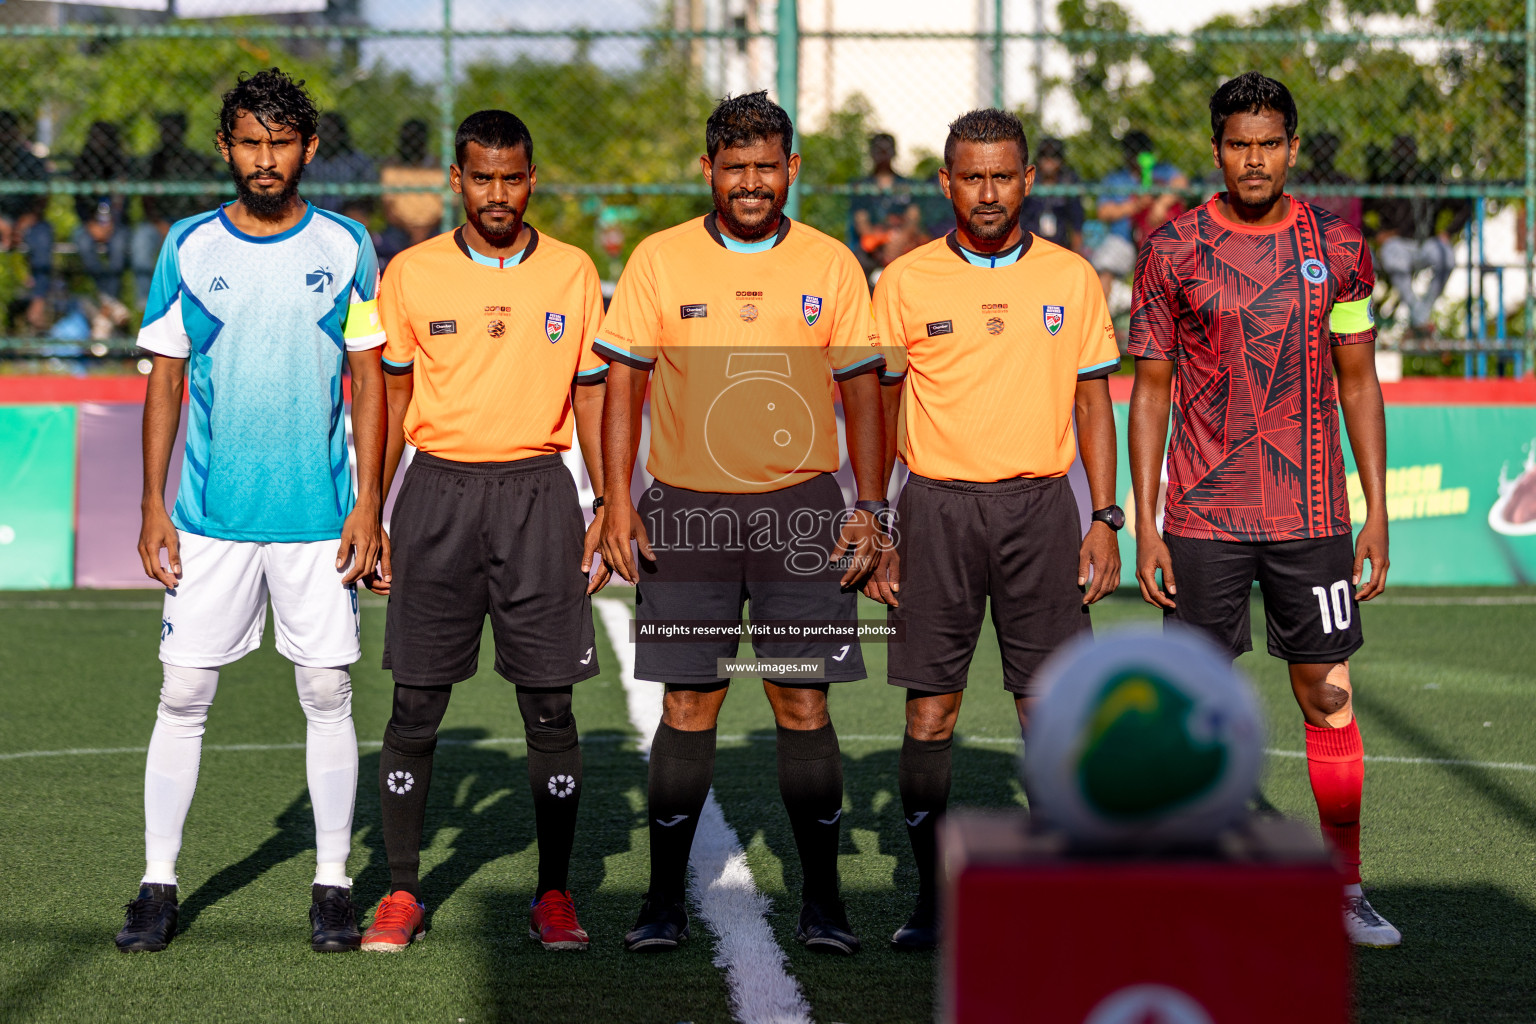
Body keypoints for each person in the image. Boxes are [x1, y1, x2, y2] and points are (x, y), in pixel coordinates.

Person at [597, 91, 888, 956]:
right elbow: (622, 385)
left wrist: (870, 507)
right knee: (690, 702)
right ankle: (660, 902)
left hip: (800, 515)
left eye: (767, 166)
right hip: (686, 514)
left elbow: (866, 390)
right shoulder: (659, 260)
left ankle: (825, 902)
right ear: (710, 171)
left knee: (801, 700)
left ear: (791, 169)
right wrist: (619, 498)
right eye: (736, 167)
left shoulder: (832, 265)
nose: (752, 182)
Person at [115, 68, 385, 954]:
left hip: (321, 518)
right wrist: (153, 506)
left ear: (309, 149)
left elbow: (372, 382)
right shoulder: (187, 246)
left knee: (327, 690)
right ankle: (158, 883)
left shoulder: (349, 246)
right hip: (207, 517)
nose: (264, 160)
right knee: (184, 692)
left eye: (281, 143)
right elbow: (164, 378)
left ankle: (333, 884)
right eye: (248, 142)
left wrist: (370, 505)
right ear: (226, 147)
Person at [1127, 71, 1399, 948]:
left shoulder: (1340, 247)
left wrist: (1377, 508)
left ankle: (1346, 889)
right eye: (1238, 144)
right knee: (1196, 704)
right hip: (1204, 517)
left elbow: (1358, 380)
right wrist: (1146, 519)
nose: (1254, 159)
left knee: (1327, 691)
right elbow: (1150, 393)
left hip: (1313, 511)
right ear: (1217, 150)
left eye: (1269, 143)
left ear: (1290, 147)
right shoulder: (1171, 251)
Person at [864, 109, 1122, 951]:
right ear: (945, 183)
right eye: (970, 177)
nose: (986, 192)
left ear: (1028, 180)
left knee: (1047, 712)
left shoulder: (1072, 279)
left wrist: (1105, 517)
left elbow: (1094, 401)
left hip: (1043, 511)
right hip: (935, 511)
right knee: (930, 715)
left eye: (1002, 175)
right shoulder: (902, 282)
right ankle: (932, 902)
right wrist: (883, 523)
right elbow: (883, 407)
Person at [357, 109, 611, 954]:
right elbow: (389, 399)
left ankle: (555, 893)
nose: (497, 193)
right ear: (457, 181)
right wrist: (376, 509)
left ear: (531, 179)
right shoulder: (412, 273)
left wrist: (608, 501)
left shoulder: (574, 272)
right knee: (418, 703)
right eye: (481, 177)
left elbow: (591, 393)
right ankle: (400, 891)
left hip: (540, 494)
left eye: (512, 177)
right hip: (436, 495)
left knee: (549, 704)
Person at [1366, 134, 1468, 337]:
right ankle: (1421, 320)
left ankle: (1419, 317)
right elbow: (1358, 212)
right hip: (1398, 245)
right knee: (1390, 254)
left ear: (1415, 153)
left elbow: (1464, 207)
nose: (1405, 157)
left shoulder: (1428, 178)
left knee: (1446, 255)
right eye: (1400, 152)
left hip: (1427, 242)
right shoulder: (1388, 180)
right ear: (1393, 154)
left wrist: (1448, 232)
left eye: (1408, 151)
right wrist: (1377, 234)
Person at [1090, 130, 1188, 309]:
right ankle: (1101, 322)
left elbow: (1181, 183)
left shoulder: (1162, 171)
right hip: (1124, 238)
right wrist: (1135, 207)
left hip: (1159, 239)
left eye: (1143, 152)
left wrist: (1161, 203)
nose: (1137, 157)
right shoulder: (1116, 179)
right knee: (1105, 267)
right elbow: (1103, 212)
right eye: (1133, 152)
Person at [133, 113, 218, 307]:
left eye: (174, 130)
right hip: (158, 223)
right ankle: (146, 303)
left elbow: (205, 203)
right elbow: (146, 202)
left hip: (189, 221)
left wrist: (183, 226)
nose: (169, 135)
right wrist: (160, 224)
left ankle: (200, 300)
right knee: (142, 238)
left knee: (206, 239)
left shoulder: (194, 160)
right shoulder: (154, 161)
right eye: (165, 130)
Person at [72, 120, 135, 336]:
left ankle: (106, 307)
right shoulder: (83, 163)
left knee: (119, 246)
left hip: (116, 224)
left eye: (104, 138)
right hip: (89, 223)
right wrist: (91, 224)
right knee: (82, 241)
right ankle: (111, 302)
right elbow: (78, 201)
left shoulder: (120, 163)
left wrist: (111, 224)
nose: (99, 143)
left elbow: (122, 201)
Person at [0, 109, 53, 333]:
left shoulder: (30, 161)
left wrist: (23, 223)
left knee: (43, 236)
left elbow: (42, 198)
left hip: (28, 220)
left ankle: (37, 303)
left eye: (8, 131)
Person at [849, 132, 927, 274]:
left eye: (887, 150)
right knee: (858, 263)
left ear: (894, 152)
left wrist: (900, 239)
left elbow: (913, 217)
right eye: (879, 150)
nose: (883, 155)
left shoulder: (907, 185)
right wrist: (880, 242)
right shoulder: (862, 186)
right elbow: (861, 221)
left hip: (902, 244)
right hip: (873, 247)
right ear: (872, 153)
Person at [379, 118, 443, 265]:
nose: (411, 143)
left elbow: (449, 207)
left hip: (434, 226)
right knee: (389, 246)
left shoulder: (439, 166)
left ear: (424, 141)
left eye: (415, 138)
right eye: (407, 139)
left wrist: (424, 230)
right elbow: (388, 209)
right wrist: (411, 230)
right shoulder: (391, 166)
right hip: (399, 228)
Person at [306, 112, 377, 220]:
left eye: (331, 131)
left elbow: (370, 194)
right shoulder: (306, 159)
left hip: (347, 215)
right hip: (309, 212)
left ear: (341, 134)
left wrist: (354, 208)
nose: (326, 136)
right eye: (323, 130)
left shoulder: (357, 160)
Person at [1019, 136, 1084, 252]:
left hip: (1060, 245)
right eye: (1044, 155)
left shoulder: (1069, 181)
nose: (1049, 160)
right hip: (1029, 245)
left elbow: (1077, 222)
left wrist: (1077, 254)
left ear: (1062, 160)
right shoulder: (1029, 180)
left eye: (1054, 156)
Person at [1291, 131, 1361, 232]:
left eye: (1328, 149)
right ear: (1311, 153)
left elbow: (1355, 220)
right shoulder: (1299, 181)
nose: (1323, 153)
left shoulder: (1346, 183)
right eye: (1319, 149)